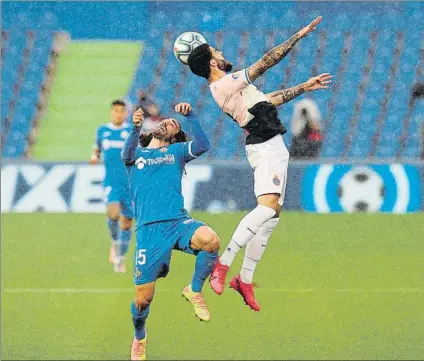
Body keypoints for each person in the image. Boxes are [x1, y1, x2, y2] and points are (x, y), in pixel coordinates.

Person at [187, 16, 332, 311]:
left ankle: (245, 279)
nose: (221, 54)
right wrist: (299, 35)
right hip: (265, 146)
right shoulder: (224, 85)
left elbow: (269, 100)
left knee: (273, 214)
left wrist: (304, 86)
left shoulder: (232, 88)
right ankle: (223, 265)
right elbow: (266, 61)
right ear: (212, 64)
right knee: (266, 208)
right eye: (217, 52)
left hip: (270, 144)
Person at [122, 103, 220, 360]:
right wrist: (134, 127)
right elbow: (126, 155)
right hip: (149, 232)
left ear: (175, 137)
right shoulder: (137, 156)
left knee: (210, 241)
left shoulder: (176, 152)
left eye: (174, 125)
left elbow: (203, 146)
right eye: (166, 121)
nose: (167, 123)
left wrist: (190, 116)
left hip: (177, 222)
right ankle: (140, 336)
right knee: (143, 301)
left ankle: (195, 290)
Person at [90, 100, 134, 273]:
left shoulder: (131, 131)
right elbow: (96, 148)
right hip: (111, 182)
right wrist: (94, 157)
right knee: (113, 213)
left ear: (126, 113)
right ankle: (115, 243)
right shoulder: (102, 131)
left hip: (129, 183)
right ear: (111, 112)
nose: (119, 114)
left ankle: (120, 258)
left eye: (122, 111)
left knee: (127, 222)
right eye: (116, 111)